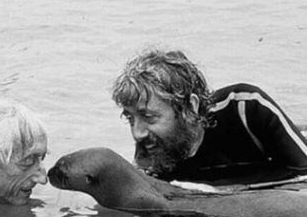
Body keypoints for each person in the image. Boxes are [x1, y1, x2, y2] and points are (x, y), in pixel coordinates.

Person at [112, 48, 307, 186]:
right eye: (130, 118)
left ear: (191, 106)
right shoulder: (153, 153)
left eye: (148, 116)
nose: (137, 133)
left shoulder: (246, 107)